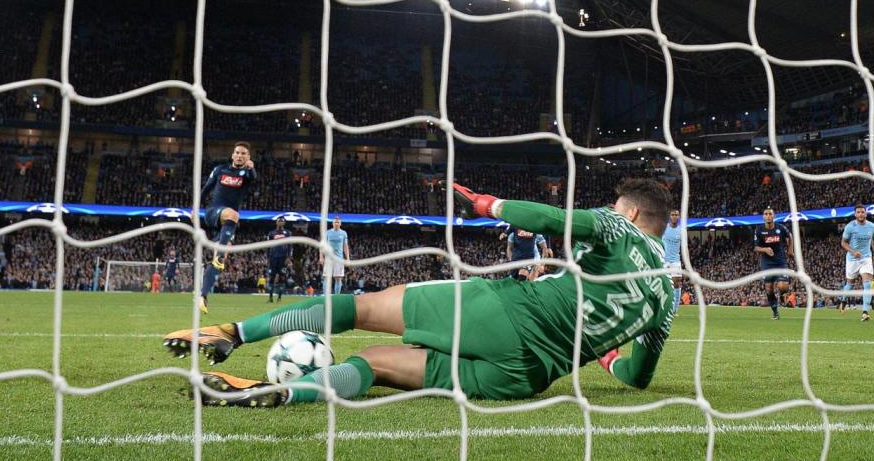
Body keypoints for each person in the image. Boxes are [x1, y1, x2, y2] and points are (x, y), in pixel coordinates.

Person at [162, 178, 675, 408]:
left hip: (504, 313)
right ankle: (281, 393)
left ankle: (233, 333)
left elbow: (551, 219)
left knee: (362, 309)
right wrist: (607, 358)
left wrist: (490, 205)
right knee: (379, 363)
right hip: (524, 377)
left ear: (630, 211)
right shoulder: (668, 299)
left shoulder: (618, 225)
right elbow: (639, 378)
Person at [197, 142, 256, 312]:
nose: (239, 155)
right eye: (237, 152)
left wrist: (251, 168)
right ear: (232, 155)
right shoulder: (219, 170)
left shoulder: (246, 174)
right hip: (214, 213)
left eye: (243, 153)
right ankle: (221, 251)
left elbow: (253, 177)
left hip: (226, 225)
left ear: (248, 157)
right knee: (234, 215)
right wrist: (195, 208)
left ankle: (203, 296)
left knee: (220, 261)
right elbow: (205, 189)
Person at [753, 207, 793, 320]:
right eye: (766, 214)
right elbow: (756, 248)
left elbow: (790, 236)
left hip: (780, 261)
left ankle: (782, 296)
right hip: (767, 263)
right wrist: (765, 250)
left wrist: (790, 250)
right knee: (769, 289)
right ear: (763, 216)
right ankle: (775, 311)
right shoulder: (759, 230)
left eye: (770, 214)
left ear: (774, 216)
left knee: (782, 286)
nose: (768, 216)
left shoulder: (780, 228)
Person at [839, 204, 873, 322]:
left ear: (865, 213)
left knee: (868, 284)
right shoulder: (850, 227)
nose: (860, 214)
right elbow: (843, 243)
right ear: (855, 214)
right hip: (852, 259)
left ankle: (865, 312)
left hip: (866, 258)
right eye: (858, 212)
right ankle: (843, 301)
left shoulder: (871, 226)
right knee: (850, 284)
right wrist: (853, 252)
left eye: (862, 212)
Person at [661, 209, 684, 316]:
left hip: (675, 260)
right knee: (663, 284)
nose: (674, 216)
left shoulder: (681, 230)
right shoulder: (664, 228)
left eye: (676, 214)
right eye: (673, 214)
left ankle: (674, 310)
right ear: (670, 216)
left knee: (677, 283)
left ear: (679, 216)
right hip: (664, 260)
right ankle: (663, 306)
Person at [320, 216, 350, 295]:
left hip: (339, 259)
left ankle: (337, 296)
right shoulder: (328, 232)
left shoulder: (343, 233)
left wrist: (348, 258)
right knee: (327, 278)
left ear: (340, 224)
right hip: (328, 258)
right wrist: (321, 257)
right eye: (335, 222)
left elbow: (345, 246)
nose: (336, 223)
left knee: (338, 278)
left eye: (338, 222)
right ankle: (325, 296)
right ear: (332, 223)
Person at [266, 218, 293, 303]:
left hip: (283, 258)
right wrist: (268, 258)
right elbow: (267, 246)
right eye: (279, 221)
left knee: (282, 277)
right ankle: (270, 298)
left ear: (284, 223)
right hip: (273, 258)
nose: (280, 222)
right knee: (272, 277)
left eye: (282, 221)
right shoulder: (271, 233)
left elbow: (290, 246)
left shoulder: (288, 233)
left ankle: (280, 298)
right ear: (276, 222)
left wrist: (289, 257)